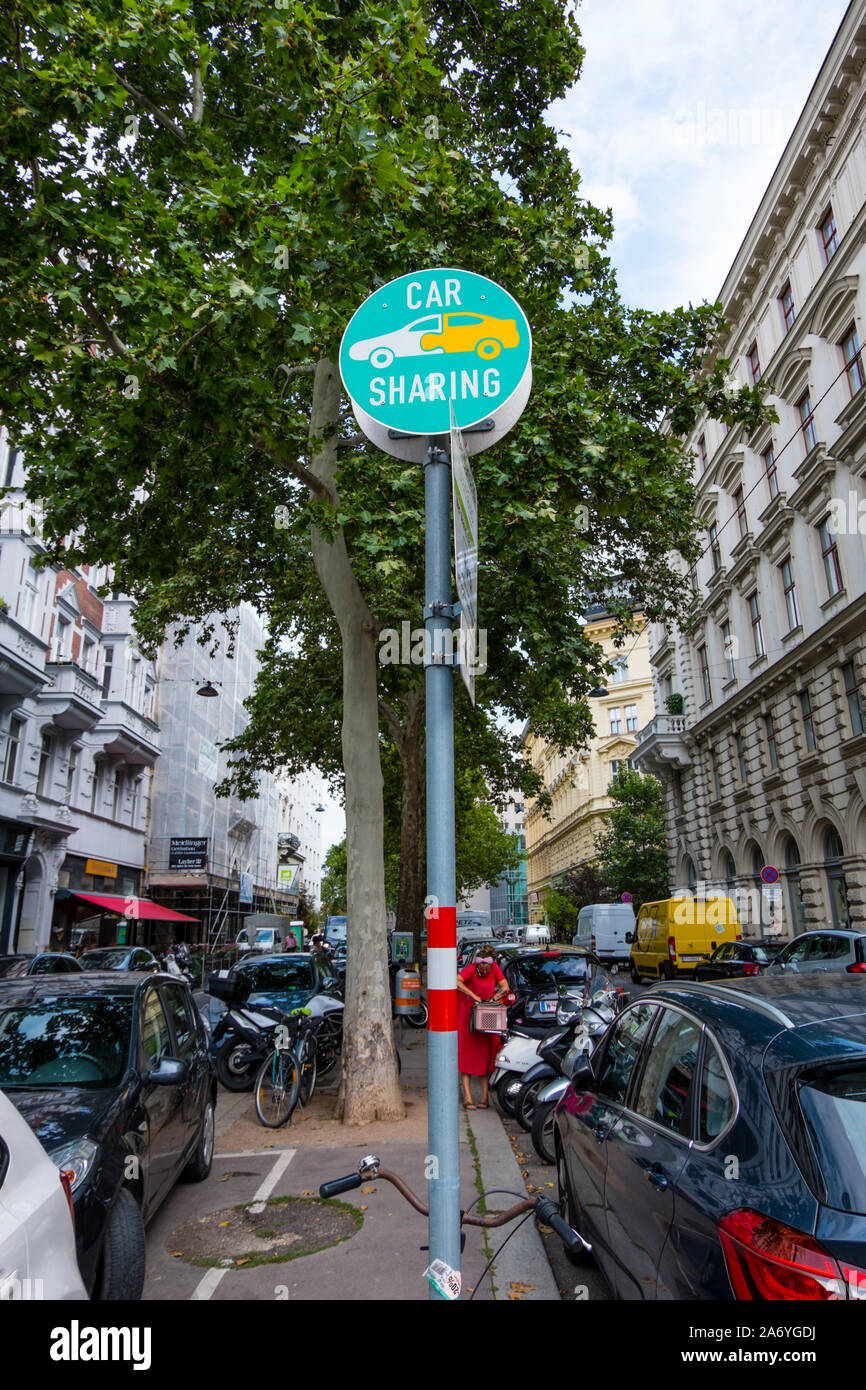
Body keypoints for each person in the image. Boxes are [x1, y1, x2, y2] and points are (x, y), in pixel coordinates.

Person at [456, 950, 509, 1109]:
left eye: (487, 969)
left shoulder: (494, 968)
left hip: (487, 1013)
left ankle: (485, 1097)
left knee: (486, 1055)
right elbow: (457, 981)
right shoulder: (472, 969)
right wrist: (473, 995)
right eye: (482, 969)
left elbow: (505, 986)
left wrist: (494, 998)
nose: (485, 971)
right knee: (467, 1055)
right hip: (468, 1015)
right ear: (478, 965)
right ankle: (468, 1096)